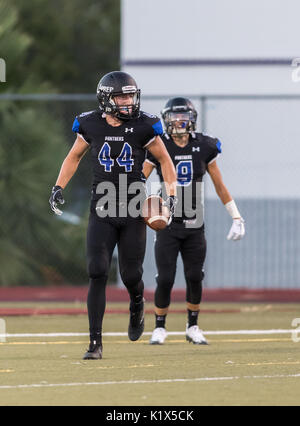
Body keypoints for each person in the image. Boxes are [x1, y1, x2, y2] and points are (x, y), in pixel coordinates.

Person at [49, 71, 177, 359]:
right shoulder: (90, 123)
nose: (129, 101)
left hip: (133, 210)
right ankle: (95, 343)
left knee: (131, 275)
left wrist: (172, 195)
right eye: (122, 96)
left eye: (131, 95)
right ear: (107, 98)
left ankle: (136, 303)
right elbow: (74, 156)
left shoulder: (145, 125)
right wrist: (58, 186)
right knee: (97, 271)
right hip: (102, 209)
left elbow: (164, 160)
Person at [142, 97, 245, 345]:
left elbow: (220, 185)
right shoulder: (159, 145)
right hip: (168, 223)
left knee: (195, 276)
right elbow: (139, 177)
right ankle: (160, 327)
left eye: (183, 118)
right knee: (165, 278)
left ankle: (193, 326)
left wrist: (236, 216)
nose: (179, 123)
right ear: (166, 121)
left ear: (192, 120)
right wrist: (139, 203)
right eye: (174, 118)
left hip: (195, 223)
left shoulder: (205, 146)